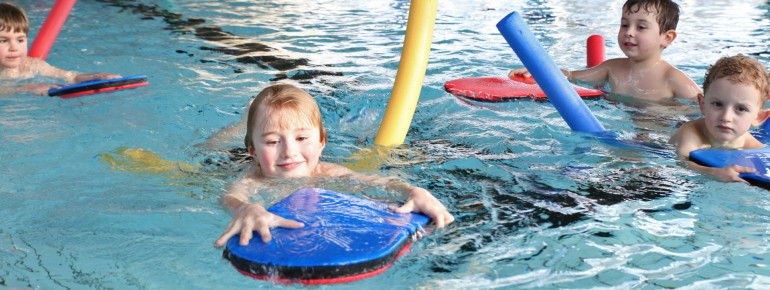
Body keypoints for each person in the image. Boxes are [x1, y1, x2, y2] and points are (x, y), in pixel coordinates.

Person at [214, 84, 454, 246]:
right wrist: (246, 208)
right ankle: (244, 122)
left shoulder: (328, 172)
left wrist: (413, 191)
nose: (289, 152)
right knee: (211, 148)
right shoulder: (252, 179)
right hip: (232, 158)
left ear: (321, 142)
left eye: (301, 138)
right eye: (273, 141)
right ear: (253, 151)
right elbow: (231, 197)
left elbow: (378, 183)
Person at [509, 0, 700, 102]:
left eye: (641, 27)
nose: (629, 33)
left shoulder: (673, 78)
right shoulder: (612, 68)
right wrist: (537, 71)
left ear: (667, 38)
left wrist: (671, 112)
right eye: (624, 25)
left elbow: (705, 107)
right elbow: (570, 75)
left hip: (657, 138)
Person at [669, 54, 770, 183]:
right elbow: (681, 161)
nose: (726, 117)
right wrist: (713, 173)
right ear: (703, 104)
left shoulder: (753, 147)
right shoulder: (691, 131)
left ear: (759, 118)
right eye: (718, 104)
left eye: (740, 109)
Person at [0, 3, 121, 96]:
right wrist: (24, 89)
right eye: (3, 40)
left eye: (20, 40)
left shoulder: (32, 65)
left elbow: (71, 77)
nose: (14, 48)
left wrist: (97, 76)